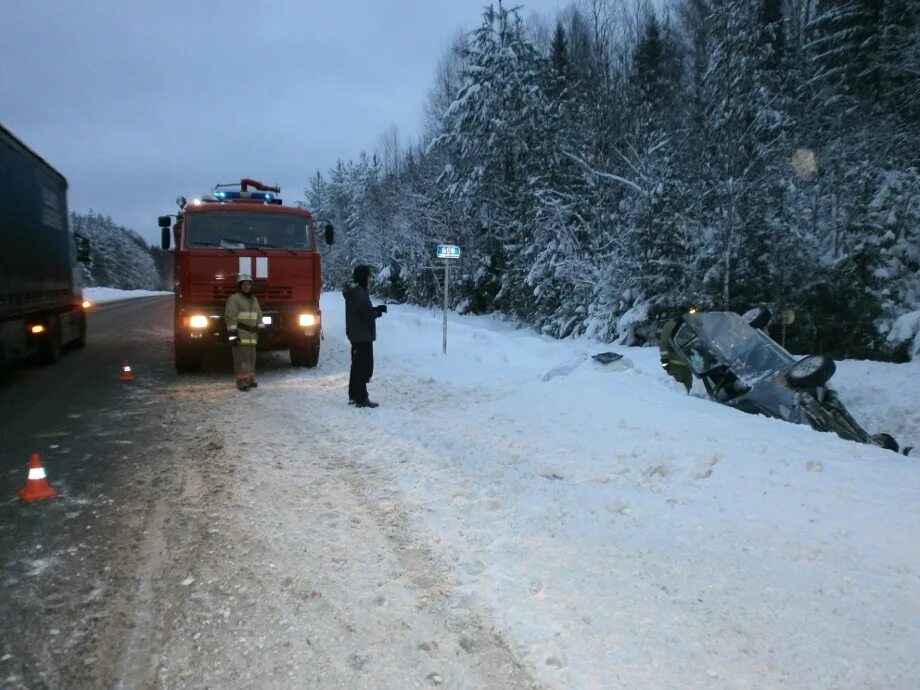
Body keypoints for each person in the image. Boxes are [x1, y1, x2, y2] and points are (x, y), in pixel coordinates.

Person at [343, 265, 387, 408]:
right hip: (363, 335)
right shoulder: (360, 293)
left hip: (356, 334)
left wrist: (374, 309)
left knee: (356, 365)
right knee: (363, 366)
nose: (370, 279)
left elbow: (360, 312)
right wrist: (377, 313)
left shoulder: (354, 293)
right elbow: (365, 315)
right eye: (368, 276)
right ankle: (362, 398)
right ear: (363, 277)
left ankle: (354, 395)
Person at [225, 273, 262, 391]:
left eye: (248, 284)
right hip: (240, 334)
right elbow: (230, 317)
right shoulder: (234, 299)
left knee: (251, 359)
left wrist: (260, 327)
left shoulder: (254, 299)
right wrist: (232, 335)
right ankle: (242, 383)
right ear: (240, 286)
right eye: (244, 285)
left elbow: (259, 314)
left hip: (252, 335)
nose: (246, 287)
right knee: (241, 360)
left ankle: (250, 380)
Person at [659, 319, 693, 393]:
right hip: (674, 366)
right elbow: (663, 344)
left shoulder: (691, 324)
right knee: (677, 392)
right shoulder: (670, 326)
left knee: (687, 392)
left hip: (688, 366)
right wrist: (664, 360)